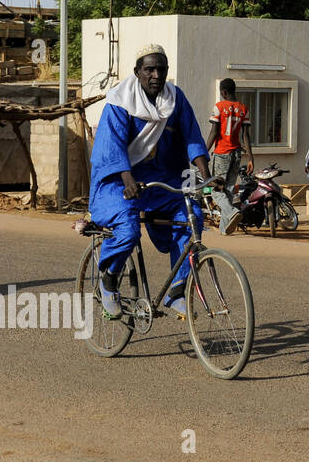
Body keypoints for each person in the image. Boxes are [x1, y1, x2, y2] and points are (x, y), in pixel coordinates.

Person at [88, 45, 219, 318]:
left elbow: (192, 137)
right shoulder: (120, 102)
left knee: (191, 217)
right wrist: (127, 179)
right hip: (117, 182)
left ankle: (177, 290)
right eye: (149, 69)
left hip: (159, 182)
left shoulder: (176, 99)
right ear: (138, 72)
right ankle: (109, 280)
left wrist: (208, 177)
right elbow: (111, 148)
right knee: (128, 229)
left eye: (161, 69)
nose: (156, 74)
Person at [203, 77, 252, 235]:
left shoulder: (219, 107)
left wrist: (203, 152)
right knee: (229, 189)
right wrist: (251, 158)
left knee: (215, 189)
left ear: (224, 92)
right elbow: (246, 135)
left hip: (222, 153)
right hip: (237, 153)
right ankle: (225, 228)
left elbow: (214, 132)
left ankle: (231, 212)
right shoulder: (244, 108)